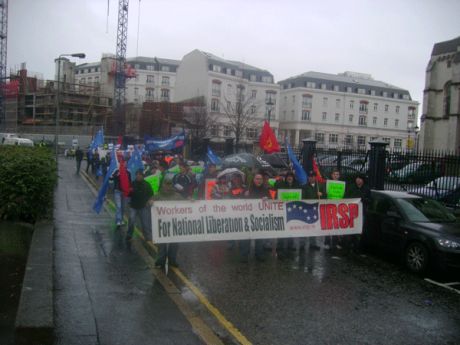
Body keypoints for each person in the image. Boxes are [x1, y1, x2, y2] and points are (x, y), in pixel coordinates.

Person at [239, 172, 271, 262]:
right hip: (248, 217)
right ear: (253, 180)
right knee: (246, 237)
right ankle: (244, 254)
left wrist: (267, 199)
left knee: (259, 237)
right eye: (257, 179)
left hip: (260, 217)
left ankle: (259, 254)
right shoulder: (247, 189)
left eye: (260, 179)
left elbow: (271, 201)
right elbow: (240, 202)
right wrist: (244, 195)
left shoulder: (265, 189)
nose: (259, 181)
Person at [126, 169, 154, 245]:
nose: (138, 176)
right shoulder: (132, 184)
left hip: (143, 206)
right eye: (137, 174)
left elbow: (151, 194)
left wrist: (150, 200)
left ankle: (148, 237)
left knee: (145, 223)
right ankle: (129, 235)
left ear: (142, 176)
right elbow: (128, 194)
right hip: (133, 206)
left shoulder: (147, 185)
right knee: (131, 221)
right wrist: (129, 192)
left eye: (139, 175)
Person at [345, 173, 371, 252]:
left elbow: (369, 201)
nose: (358, 180)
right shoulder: (352, 187)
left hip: (361, 213)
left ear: (363, 180)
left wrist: (363, 199)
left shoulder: (366, 189)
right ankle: (348, 245)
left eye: (360, 178)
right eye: (357, 178)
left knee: (359, 230)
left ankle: (357, 247)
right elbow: (346, 197)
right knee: (350, 229)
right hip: (351, 212)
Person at [302, 171, 326, 250]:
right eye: (310, 176)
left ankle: (313, 244)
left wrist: (321, 195)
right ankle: (303, 244)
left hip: (316, 210)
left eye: (313, 176)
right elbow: (302, 198)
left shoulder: (320, 186)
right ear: (308, 177)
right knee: (305, 228)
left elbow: (326, 197)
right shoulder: (304, 187)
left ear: (315, 177)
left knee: (314, 227)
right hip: (307, 209)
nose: (311, 178)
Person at [325, 168, 343, 250]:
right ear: (332, 175)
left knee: (336, 225)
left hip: (338, 207)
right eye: (334, 174)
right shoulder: (328, 183)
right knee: (328, 224)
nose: (336, 176)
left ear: (339, 176)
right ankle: (327, 242)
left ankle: (335, 242)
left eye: (337, 174)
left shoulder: (342, 185)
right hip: (329, 206)